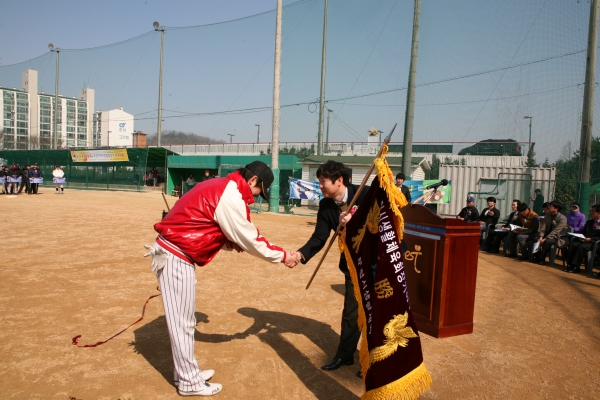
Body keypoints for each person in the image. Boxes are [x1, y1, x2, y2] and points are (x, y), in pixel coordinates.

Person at [147, 161, 300, 396]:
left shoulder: (223, 185)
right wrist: (283, 255)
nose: (258, 196)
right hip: (175, 255)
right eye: (260, 191)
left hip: (174, 252)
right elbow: (250, 238)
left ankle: (185, 372)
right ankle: (189, 382)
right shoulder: (230, 194)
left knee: (183, 321)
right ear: (252, 181)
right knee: (183, 324)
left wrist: (234, 243)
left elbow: (218, 229)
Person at [294, 160, 367, 373]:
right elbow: (319, 237)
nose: (321, 186)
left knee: (376, 314)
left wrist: (355, 217)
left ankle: (374, 363)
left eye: (323, 181)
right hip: (352, 266)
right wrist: (299, 254)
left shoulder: (365, 194)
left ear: (339, 181)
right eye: (319, 182)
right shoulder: (326, 206)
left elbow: (387, 218)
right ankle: (345, 355)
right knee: (351, 313)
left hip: (377, 264)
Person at [564, 204, 600, 275]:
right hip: (586, 241)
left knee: (582, 247)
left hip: (596, 243)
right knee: (574, 243)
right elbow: (583, 231)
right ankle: (570, 265)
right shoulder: (590, 222)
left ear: (599, 213)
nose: (591, 212)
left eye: (593, 211)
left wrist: (591, 239)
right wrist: (581, 237)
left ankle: (576, 267)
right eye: (591, 211)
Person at [534, 201, 567, 265]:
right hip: (546, 235)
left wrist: (545, 238)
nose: (549, 207)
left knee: (547, 242)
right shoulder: (547, 216)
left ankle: (542, 258)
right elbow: (543, 227)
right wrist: (541, 237)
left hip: (557, 237)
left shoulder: (562, 218)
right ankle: (536, 256)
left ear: (556, 209)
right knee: (536, 238)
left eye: (551, 206)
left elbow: (556, 231)